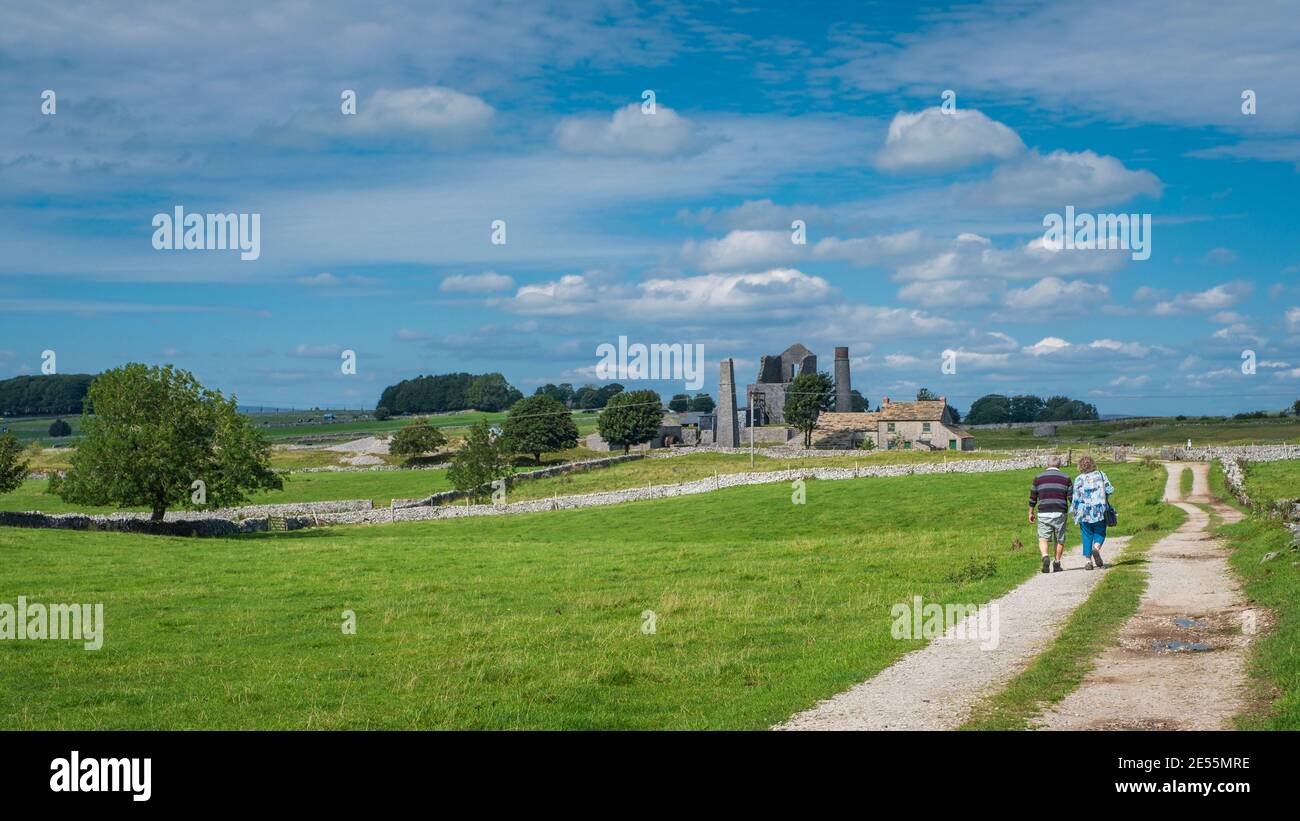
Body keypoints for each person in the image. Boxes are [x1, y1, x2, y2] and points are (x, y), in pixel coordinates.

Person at [1029, 455, 1071, 573]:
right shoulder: (1066, 477)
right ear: (1059, 465)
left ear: (1047, 464)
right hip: (1060, 512)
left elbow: (1033, 497)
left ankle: (1045, 556)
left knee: (1043, 538)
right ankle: (1057, 563)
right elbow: (1071, 497)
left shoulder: (1038, 478)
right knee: (1060, 539)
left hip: (1043, 513)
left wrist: (1031, 512)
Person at [1071, 455, 1114, 570]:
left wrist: (1075, 511)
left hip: (1083, 511)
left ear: (1080, 466)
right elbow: (1110, 489)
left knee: (1086, 534)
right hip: (1099, 509)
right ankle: (1096, 548)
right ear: (1093, 464)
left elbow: (1075, 497)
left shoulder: (1078, 479)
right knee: (1100, 531)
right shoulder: (1101, 474)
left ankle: (1088, 561)